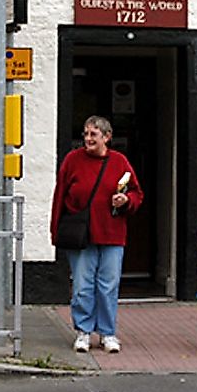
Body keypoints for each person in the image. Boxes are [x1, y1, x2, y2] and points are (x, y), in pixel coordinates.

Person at [50, 115, 143, 354]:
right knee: (82, 285)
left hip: (112, 233)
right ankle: (83, 331)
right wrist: (55, 230)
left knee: (108, 286)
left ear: (107, 137)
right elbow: (60, 195)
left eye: (93, 134)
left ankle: (107, 332)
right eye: (86, 134)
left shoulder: (119, 161)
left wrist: (126, 200)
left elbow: (136, 192)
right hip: (82, 235)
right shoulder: (73, 160)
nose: (88, 139)